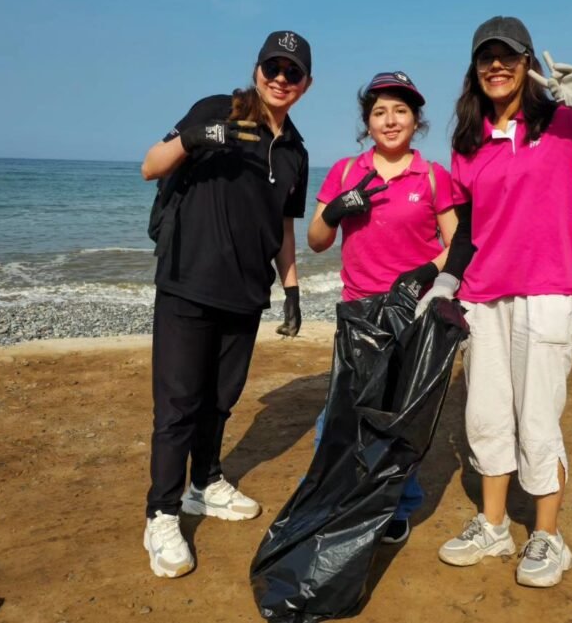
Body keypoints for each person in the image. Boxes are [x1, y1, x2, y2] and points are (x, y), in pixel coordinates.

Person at [413, 16, 572, 588]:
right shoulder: (467, 142)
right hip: (483, 298)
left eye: (509, 56)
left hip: (547, 294)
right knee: (486, 418)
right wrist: (446, 282)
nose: (497, 66)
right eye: (486, 57)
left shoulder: (563, 124)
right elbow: (469, 227)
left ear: (527, 64)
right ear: (475, 69)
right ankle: (494, 526)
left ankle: (548, 537)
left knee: (538, 421)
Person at [139, 30, 312, 578]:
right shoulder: (218, 109)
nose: (280, 78)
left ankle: (205, 483)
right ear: (257, 69)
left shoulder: (295, 151)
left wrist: (291, 289)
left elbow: (283, 224)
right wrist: (195, 138)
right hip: (188, 281)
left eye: (292, 71)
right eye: (272, 67)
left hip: (246, 292)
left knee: (220, 400)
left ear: (306, 84)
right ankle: (162, 514)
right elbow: (150, 165)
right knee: (178, 406)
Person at [307, 70, 457, 544]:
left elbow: (457, 244)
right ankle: (335, 499)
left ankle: (398, 506)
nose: (390, 121)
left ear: (416, 121)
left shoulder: (432, 176)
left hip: (412, 312)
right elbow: (316, 240)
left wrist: (423, 275)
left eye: (400, 111)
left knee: (399, 418)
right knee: (339, 417)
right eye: (379, 112)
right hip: (359, 312)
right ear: (367, 122)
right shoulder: (345, 172)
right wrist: (335, 210)